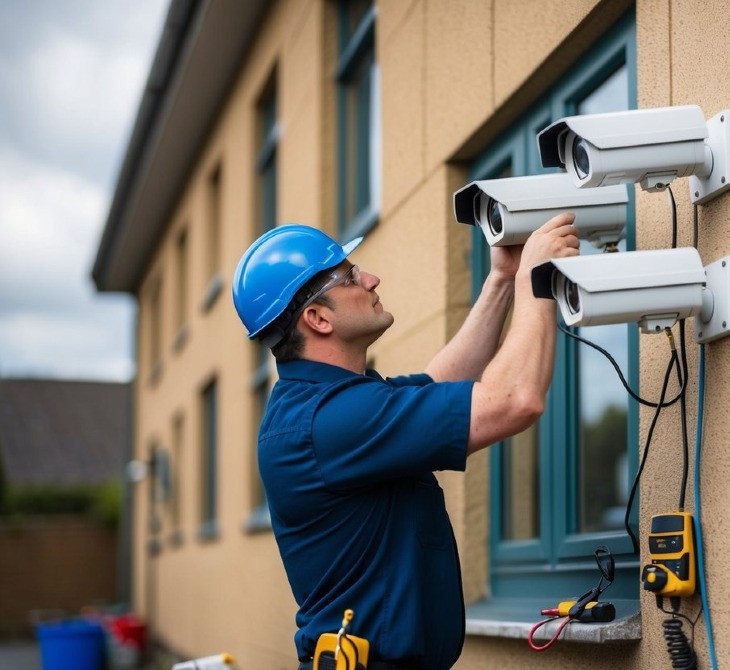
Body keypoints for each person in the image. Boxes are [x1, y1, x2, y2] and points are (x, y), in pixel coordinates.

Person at [231, 213, 579, 670]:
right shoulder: (330, 422)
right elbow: (515, 401)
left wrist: (503, 280)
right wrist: (538, 280)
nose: (371, 279)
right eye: (350, 275)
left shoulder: (332, 403)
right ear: (317, 318)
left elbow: (439, 382)